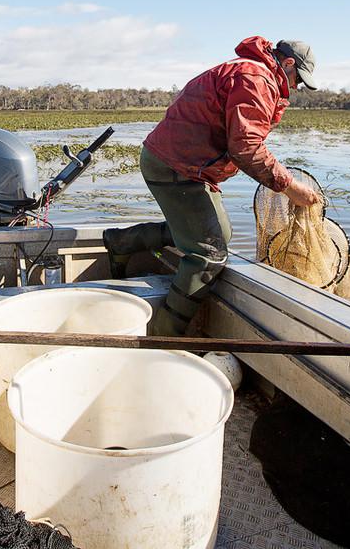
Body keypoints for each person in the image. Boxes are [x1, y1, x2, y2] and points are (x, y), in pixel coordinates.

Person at [103, 36, 321, 336]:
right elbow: (246, 147)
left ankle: (120, 242)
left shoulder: (252, 70)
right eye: (298, 79)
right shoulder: (255, 78)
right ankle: (163, 337)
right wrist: (290, 187)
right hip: (176, 166)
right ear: (287, 63)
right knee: (209, 253)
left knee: (222, 233)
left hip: (183, 164)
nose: (296, 87)